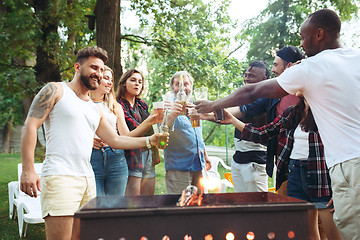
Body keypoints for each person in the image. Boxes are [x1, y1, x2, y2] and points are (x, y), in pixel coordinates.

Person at [195, 9, 360, 239]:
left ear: (319, 34)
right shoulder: (356, 58)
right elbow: (262, 127)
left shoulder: (313, 66)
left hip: (349, 164)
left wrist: (214, 103)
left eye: (304, 37)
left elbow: (253, 91)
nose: (302, 44)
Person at [20, 47, 167, 240]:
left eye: (101, 69)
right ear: (77, 67)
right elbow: (30, 126)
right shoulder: (55, 90)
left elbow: (115, 140)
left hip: (88, 180)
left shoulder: (92, 107)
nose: (98, 74)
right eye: (93, 67)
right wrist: (28, 169)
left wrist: (150, 140)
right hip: (60, 177)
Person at [223, 97, 342, 240]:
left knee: (333, 233)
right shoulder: (292, 112)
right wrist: (232, 120)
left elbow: (341, 149)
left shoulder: (328, 112)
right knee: (305, 233)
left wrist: (339, 186)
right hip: (295, 174)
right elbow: (262, 133)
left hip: (321, 176)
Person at [233, 46, 304, 195]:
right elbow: (260, 129)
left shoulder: (306, 98)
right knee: (288, 212)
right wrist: (211, 110)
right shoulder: (275, 99)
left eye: (275, 64)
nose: (273, 70)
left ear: (289, 67)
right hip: (283, 163)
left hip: (307, 163)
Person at [163, 71, 211, 194]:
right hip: (179, 168)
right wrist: (173, 114)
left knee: (201, 205)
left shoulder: (195, 106)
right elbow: (163, 129)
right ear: (172, 87)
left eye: (186, 84)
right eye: (178, 84)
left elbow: (197, 134)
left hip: (199, 165)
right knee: (180, 206)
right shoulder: (168, 105)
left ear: (191, 87)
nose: (182, 88)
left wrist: (205, 156)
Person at [116, 69, 162, 196]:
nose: (137, 84)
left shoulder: (142, 105)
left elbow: (149, 130)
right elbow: (127, 135)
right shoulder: (118, 105)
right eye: (133, 80)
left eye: (140, 82)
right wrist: (149, 120)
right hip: (132, 156)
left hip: (148, 153)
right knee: (133, 203)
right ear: (124, 83)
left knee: (148, 201)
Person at [229, 61, 269, 192]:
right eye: (246, 75)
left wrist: (206, 111)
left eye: (251, 75)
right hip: (238, 160)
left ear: (264, 79)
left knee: (258, 207)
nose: (246, 78)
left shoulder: (264, 98)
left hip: (254, 163)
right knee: (240, 205)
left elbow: (229, 114)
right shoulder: (244, 97)